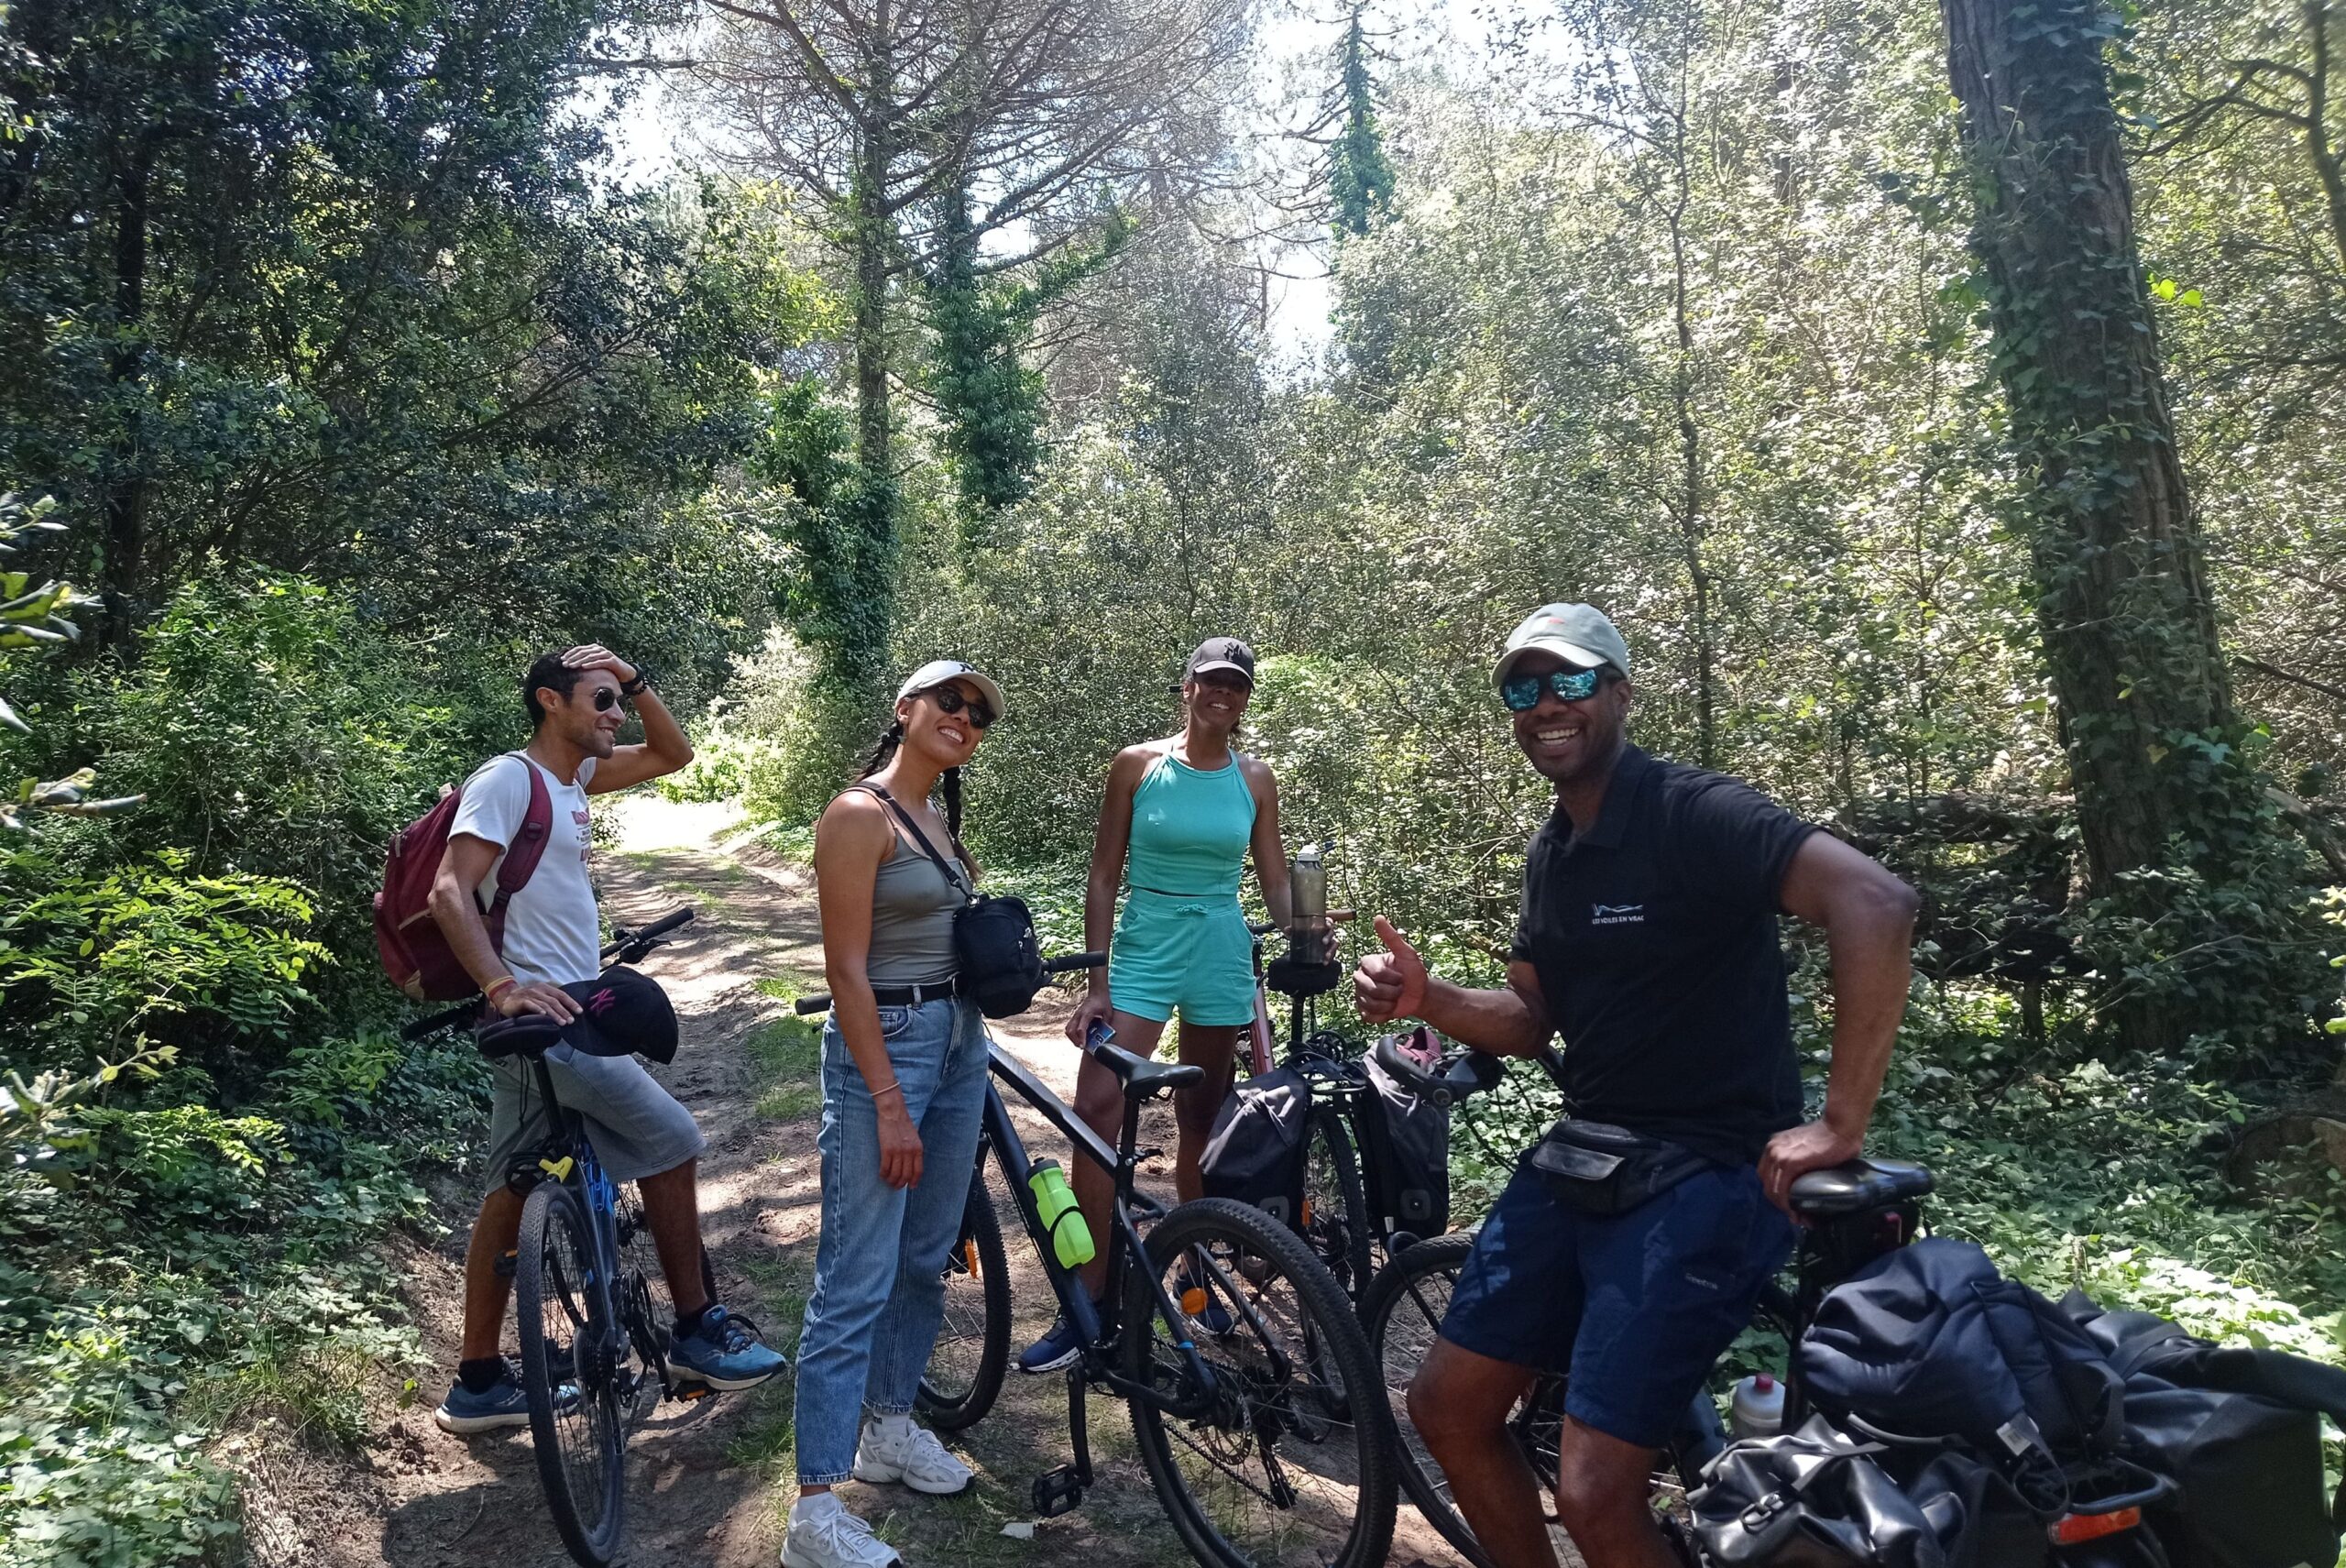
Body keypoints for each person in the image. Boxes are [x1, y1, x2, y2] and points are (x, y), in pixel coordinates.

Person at [1354, 604, 1919, 1568]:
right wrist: (1431, 995)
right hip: (1593, 1157)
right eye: (1521, 688)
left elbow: (1875, 900)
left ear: (1618, 691)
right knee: (1445, 1406)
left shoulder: (1690, 812)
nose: (1544, 705)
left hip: (1709, 1170)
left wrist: (1839, 1121)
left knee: (1592, 1491)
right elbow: (1534, 1020)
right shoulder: (1555, 852)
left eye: (1569, 680)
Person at [426, 645, 784, 1435]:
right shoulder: (508, 780)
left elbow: (674, 754)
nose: (616, 714)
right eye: (601, 700)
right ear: (550, 701)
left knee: (509, 1186)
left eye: (620, 700)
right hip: (548, 1020)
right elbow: (448, 888)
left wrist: (638, 678)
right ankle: (696, 1327)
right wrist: (501, 983)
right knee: (674, 1136)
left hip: (551, 1017)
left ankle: (478, 1380)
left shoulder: (573, 780)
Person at [1018, 637, 1291, 1374]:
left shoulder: (1256, 778)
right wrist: (1098, 980)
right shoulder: (1139, 765)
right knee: (1098, 1104)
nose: (1222, 695)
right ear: (1187, 687)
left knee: (1204, 1118)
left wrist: (1310, 918)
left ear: (1244, 698)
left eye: (1236, 686)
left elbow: (1271, 881)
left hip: (1221, 950)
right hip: (1144, 943)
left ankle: (1194, 1270)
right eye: (1212, 682)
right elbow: (1105, 873)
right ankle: (1090, 1295)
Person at [785, 660, 1005, 1568]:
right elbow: (845, 970)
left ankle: (889, 1425)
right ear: (905, 709)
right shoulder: (857, 815)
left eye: (978, 712)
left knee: (923, 1256)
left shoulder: (940, 823)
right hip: (890, 1046)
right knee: (856, 1274)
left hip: (957, 1041)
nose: (964, 716)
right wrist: (886, 1100)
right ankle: (812, 1511)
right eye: (949, 700)